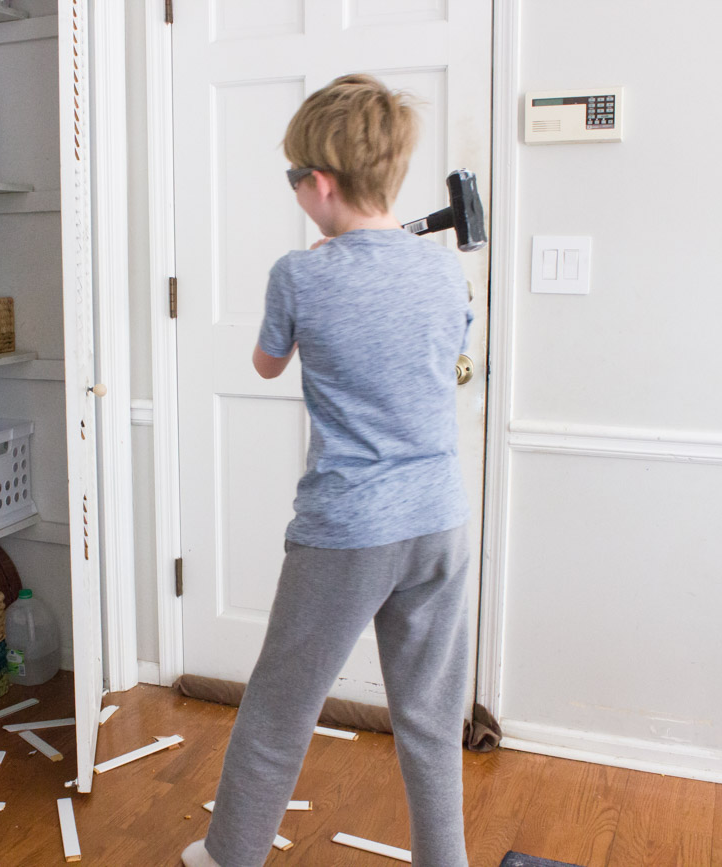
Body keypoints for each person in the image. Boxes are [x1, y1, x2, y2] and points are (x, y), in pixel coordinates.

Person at [181, 73, 475, 867]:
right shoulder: (447, 271)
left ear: (319, 184)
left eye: (293, 179)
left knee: (280, 706)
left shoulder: (300, 275)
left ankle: (229, 855)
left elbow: (268, 363)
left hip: (350, 529)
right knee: (429, 715)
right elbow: (445, 356)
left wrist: (318, 283)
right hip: (441, 521)